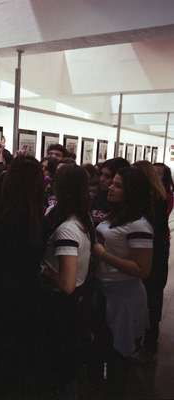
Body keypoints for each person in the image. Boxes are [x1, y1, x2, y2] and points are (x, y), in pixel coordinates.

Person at [0, 156, 46, 397]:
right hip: (30, 298)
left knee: (1, 364)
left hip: (3, 301)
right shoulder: (39, 218)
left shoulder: (5, 223)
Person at [92, 167, 153, 395]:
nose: (110, 187)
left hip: (123, 296)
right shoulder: (116, 216)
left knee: (119, 356)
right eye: (111, 183)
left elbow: (142, 269)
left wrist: (103, 255)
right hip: (105, 290)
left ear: (132, 192)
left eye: (117, 185)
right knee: (101, 346)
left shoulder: (139, 225)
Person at [40, 165, 93, 398]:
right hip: (73, 306)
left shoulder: (67, 230)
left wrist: (44, 270)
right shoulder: (81, 220)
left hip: (63, 307)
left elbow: (67, 283)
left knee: (60, 371)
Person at [134, 161, 169, 354]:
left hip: (152, 256)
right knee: (153, 298)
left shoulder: (151, 200)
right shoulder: (157, 196)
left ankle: (146, 343)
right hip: (157, 254)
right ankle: (148, 340)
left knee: (150, 298)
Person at [91, 157, 129, 226]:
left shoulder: (125, 208)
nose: (102, 179)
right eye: (101, 174)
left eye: (107, 176)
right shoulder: (95, 197)